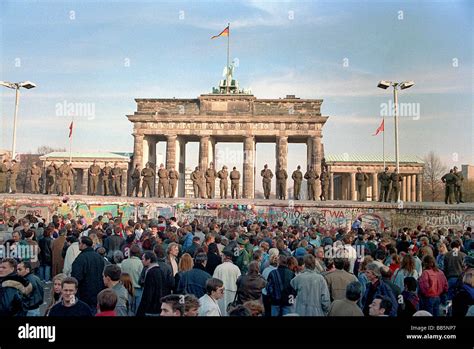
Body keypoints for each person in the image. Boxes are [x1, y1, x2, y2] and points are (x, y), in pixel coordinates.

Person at [71, 236, 105, 312]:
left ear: (84, 244)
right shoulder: (99, 257)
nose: (78, 245)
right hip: (98, 292)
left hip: (85, 294)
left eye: (79, 243)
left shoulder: (81, 258)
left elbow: (76, 277)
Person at [137, 251, 167, 316]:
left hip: (151, 308)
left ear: (149, 260)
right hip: (159, 306)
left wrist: (141, 310)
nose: (142, 261)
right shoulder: (160, 271)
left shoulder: (150, 273)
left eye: (143, 259)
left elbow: (148, 293)